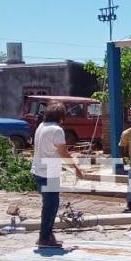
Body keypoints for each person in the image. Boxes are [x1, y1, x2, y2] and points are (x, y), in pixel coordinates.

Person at [30, 102, 85, 248]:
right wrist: (76, 169)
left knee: (48, 204)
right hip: (50, 173)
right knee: (51, 206)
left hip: (38, 170)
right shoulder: (57, 130)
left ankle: (48, 235)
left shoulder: (41, 127)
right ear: (61, 116)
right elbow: (63, 153)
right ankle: (44, 237)